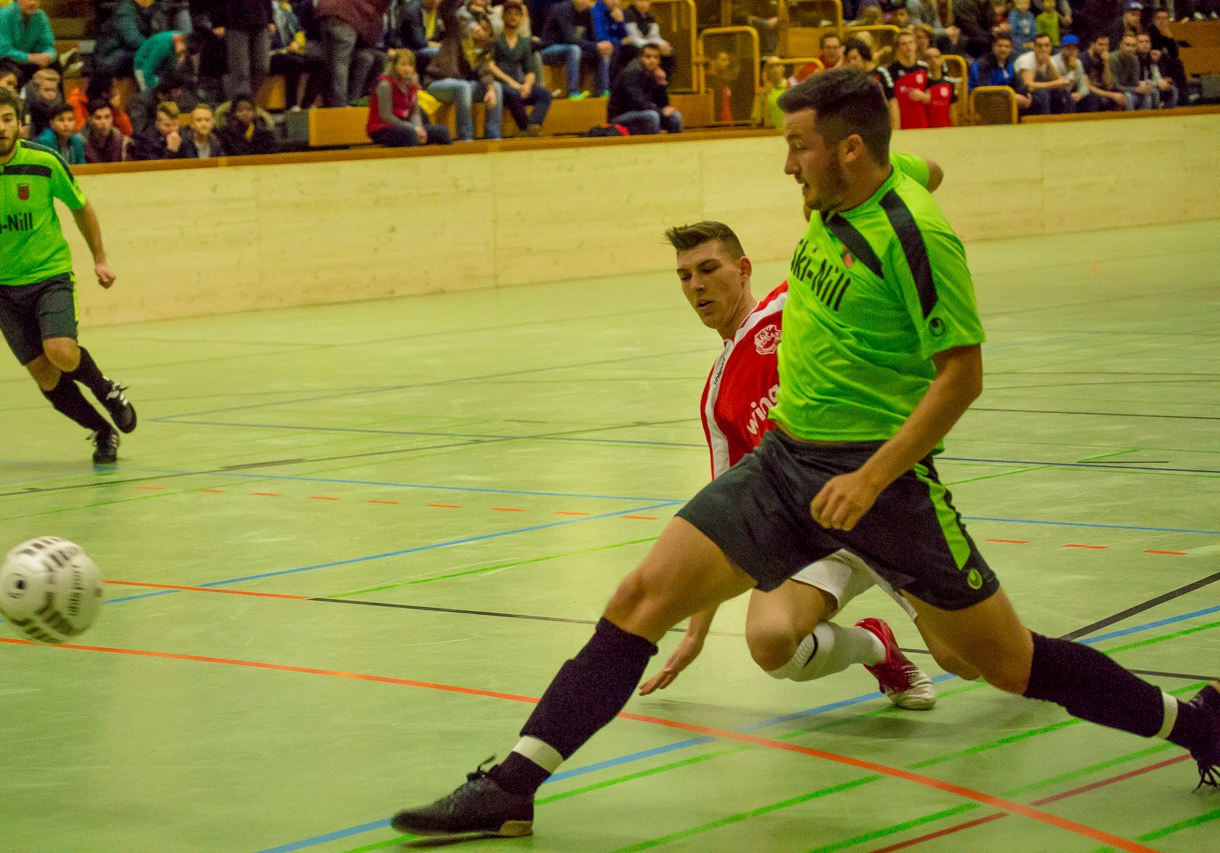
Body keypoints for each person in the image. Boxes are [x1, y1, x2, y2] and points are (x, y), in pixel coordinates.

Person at [390, 68, 1220, 839]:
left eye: (799, 146)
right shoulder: (845, 190)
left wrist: (871, 476)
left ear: (849, 149)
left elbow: (962, 378)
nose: (787, 165)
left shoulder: (918, 240)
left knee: (1002, 663)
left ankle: (1200, 724)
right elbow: (923, 167)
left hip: (881, 484)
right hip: (786, 463)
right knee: (641, 596)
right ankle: (512, 787)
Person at [640, 213, 954, 709]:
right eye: (685, 276)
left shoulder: (794, 304)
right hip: (817, 538)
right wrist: (696, 632)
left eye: (709, 269)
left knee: (967, 656)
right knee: (771, 644)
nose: (696, 285)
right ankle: (876, 647)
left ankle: (1047, 664)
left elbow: (857, 258)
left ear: (743, 269)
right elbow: (726, 520)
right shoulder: (717, 398)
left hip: (880, 502)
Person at [0, 87, 137, 465]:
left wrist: (99, 259)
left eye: (8, 120)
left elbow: (80, 207)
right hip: (2, 289)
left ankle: (106, 389)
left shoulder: (45, 161)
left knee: (61, 351)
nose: (1, 128)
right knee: (45, 376)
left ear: (20, 124)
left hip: (50, 275)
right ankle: (102, 432)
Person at [425, 0, 502, 141]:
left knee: (495, 87)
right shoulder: (457, 33)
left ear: (489, 37)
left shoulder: (483, 50)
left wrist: (490, 88)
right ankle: (465, 137)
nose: (478, 29)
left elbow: (485, 72)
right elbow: (447, 10)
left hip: (461, 87)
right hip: (437, 83)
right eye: (479, 25)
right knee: (464, 86)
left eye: (484, 30)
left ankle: (493, 135)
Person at [489, 0, 551, 135]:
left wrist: (527, 85)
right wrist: (511, 82)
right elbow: (490, 65)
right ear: (503, 16)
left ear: (521, 18)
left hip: (518, 84)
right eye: (509, 14)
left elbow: (530, 70)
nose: (513, 17)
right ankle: (525, 128)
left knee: (544, 94)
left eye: (517, 14)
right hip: (500, 85)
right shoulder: (496, 40)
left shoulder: (523, 42)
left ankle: (533, 125)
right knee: (512, 92)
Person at [367, 48, 453, 145]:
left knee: (443, 132)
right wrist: (413, 128)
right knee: (411, 135)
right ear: (394, 66)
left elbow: (415, 113)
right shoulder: (385, 84)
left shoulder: (412, 85)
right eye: (403, 64)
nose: (407, 68)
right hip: (382, 129)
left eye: (410, 65)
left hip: (407, 127)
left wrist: (419, 128)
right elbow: (386, 116)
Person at [539, 0, 610, 98]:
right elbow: (568, 39)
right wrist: (596, 46)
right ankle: (572, 91)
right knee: (574, 49)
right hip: (549, 48)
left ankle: (604, 90)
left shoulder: (587, 12)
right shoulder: (563, 9)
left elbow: (592, 37)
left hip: (571, 48)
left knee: (601, 51)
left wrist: (601, 46)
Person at [606, 43, 680, 134]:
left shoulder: (654, 74)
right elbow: (638, 103)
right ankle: (652, 143)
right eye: (648, 57)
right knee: (652, 116)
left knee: (675, 116)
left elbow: (663, 105)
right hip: (619, 117)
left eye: (656, 57)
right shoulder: (630, 73)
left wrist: (662, 83)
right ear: (640, 58)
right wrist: (661, 112)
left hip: (643, 113)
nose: (652, 60)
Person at [212, 0, 274, 101]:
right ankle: (242, 102)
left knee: (263, 66)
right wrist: (217, 22)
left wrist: (270, 19)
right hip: (235, 24)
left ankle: (248, 100)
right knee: (240, 70)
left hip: (260, 22)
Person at [0, 0, 55, 80]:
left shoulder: (41, 16)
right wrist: (30, 58)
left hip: (26, 59)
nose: (33, 3)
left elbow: (47, 45)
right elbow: (3, 51)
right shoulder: (4, 14)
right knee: (15, 71)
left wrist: (48, 55)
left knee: (54, 65)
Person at [93, 0, 169, 78]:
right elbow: (132, 40)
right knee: (151, 59)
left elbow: (158, 34)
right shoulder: (125, 8)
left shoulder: (150, 8)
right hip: (110, 58)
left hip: (126, 54)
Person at [844, 38, 900, 129]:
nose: (852, 62)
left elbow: (892, 101)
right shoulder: (852, 77)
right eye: (849, 60)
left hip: (879, 125)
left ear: (864, 56)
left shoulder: (881, 73)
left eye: (854, 58)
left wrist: (896, 128)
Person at [1015, 33, 1074, 113]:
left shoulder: (1050, 60)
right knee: (1043, 94)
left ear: (1051, 47)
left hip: (1039, 93)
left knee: (1063, 93)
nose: (1043, 49)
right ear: (1034, 47)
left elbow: (1058, 82)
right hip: (1021, 93)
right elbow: (1029, 86)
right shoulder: (1026, 60)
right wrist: (1055, 83)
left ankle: (1066, 119)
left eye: (1046, 45)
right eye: (1040, 46)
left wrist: (1049, 63)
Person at [886, 30, 930, 128]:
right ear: (898, 48)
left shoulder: (924, 68)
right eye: (904, 44)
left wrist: (924, 96)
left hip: (923, 124)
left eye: (910, 42)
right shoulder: (891, 71)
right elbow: (891, 101)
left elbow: (932, 97)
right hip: (903, 124)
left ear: (915, 45)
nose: (908, 46)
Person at [622, 0, 674, 79]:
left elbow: (654, 36)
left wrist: (662, 44)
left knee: (669, 52)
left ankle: (663, 81)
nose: (644, 4)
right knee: (646, 53)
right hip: (631, 46)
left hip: (646, 44)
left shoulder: (649, 15)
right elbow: (634, 38)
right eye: (640, 1)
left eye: (646, 1)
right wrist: (649, 46)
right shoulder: (628, 13)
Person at [1052, 33, 1103, 111]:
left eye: (1074, 48)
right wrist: (1072, 70)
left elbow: (1083, 85)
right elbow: (1063, 85)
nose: (1071, 51)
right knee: (1067, 97)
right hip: (1058, 94)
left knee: (1093, 97)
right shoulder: (1054, 61)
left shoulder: (1078, 62)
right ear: (1062, 49)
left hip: (1072, 93)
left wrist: (1080, 94)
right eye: (1068, 48)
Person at [128, 99, 194, 159]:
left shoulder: (184, 137)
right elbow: (155, 166)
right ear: (157, 125)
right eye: (167, 125)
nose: (172, 129)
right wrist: (171, 150)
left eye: (174, 124)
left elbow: (191, 162)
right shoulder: (146, 141)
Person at [1107, 31, 1155, 108]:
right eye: (1127, 45)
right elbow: (1115, 86)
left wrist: (1144, 88)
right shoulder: (1112, 59)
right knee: (1128, 96)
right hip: (1113, 92)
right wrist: (1136, 89)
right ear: (1121, 45)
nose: (1130, 48)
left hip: (1128, 91)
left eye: (1133, 46)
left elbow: (1134, 83)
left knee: (1148, 95)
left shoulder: (1134, 60)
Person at [1080, 33, 1128, 108]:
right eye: (1101, 45)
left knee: (1122, 97)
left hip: (1101, 90)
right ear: (1092, 45)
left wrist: (1106, 63)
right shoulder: (1084, 58)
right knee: (1094, 98)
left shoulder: (1104, 58)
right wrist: (1111, 95)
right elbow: (1087, 86)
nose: (1104, 48)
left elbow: (1109, 85)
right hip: (1088, 92)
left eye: (1106, 45)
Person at [1135, 31, 1176, 106]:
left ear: (1150, 44)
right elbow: (1134, 81)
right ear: (1136, 44)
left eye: (1147, 42)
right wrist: (1157, 84)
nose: (1144, 44)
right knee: (1153, 91)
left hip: (1150, 86)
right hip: (1137, 89)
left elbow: (1157, 76)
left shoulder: (1151, 59)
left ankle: (1165, 110)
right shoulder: (1133, 59)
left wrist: (1163, 82)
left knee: (1172, 89)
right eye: (1141, 42)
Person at [81, 99, 128, 163]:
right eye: (98, 118)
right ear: (89, 119)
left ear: (112, 118)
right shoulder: (80, 140)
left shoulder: (117, 136)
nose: (103, 122)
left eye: (107, 117)